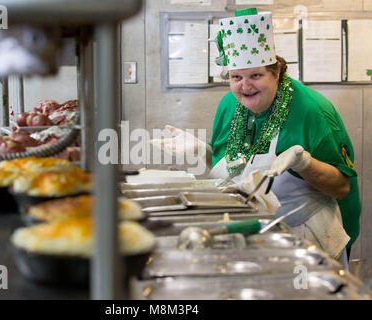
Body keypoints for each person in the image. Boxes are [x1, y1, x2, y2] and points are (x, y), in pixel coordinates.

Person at [152, 8, 361, 267]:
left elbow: (342, 187)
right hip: (256, 231)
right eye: (236, 77)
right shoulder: (230, 105)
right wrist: (200, 150)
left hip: (311, 237)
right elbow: (236, 171)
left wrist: (304, 164)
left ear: (277, 72)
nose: (245, 86)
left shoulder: (312, 111)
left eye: (256, 75)